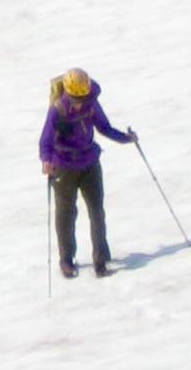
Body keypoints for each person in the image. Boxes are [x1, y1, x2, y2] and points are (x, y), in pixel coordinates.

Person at [38, 68, 135, 275]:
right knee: (66, 215)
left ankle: (100, 259)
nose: (80, 102)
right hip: (64, 168)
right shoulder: (57, 109)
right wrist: (46, 161)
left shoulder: (91, 103)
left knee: (97, 211)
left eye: (83, 98)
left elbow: (104, 127)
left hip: (90, 162)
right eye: (75, 98)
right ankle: (66, 260)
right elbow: (45, 141)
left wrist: (126, 138)